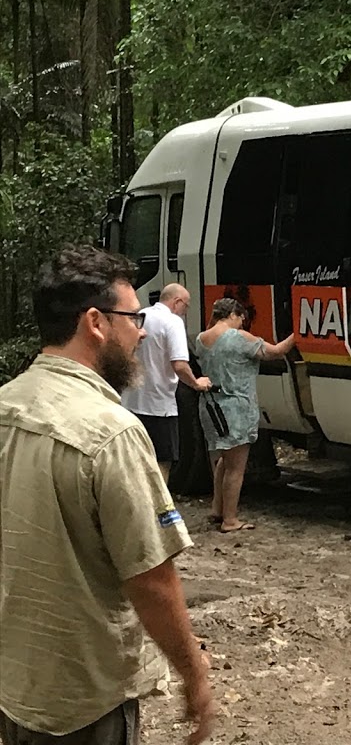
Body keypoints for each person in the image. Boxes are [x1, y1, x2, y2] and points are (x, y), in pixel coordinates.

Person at [0, 244, 214, 745]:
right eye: (133, 316)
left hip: (14, 686)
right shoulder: (111, 431)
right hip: (85, 699)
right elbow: (152, 579)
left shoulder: (5, 406)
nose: (140, 330)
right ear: (95, 322)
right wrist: (195, 673)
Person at [195, 298, 294, 533]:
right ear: (234, 315)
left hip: (210, 406)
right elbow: (276, 352)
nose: (242, 324)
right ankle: (230, 519)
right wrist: (299, 332)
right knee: (236, 468)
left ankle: (216, 508)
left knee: (223, 460)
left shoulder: (201, 339)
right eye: (242, 319)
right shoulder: (239, 339)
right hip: (236, 407)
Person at [121, 283, 212, 483]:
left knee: (136, 460)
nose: (185, 312)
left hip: (131, 401)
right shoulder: (172, 322)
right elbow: (179, 364)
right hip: (159, 404)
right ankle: (159, 509)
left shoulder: (141, 315)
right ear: (177, 301)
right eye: (186, 306)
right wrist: (196, 383)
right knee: (163, 461)